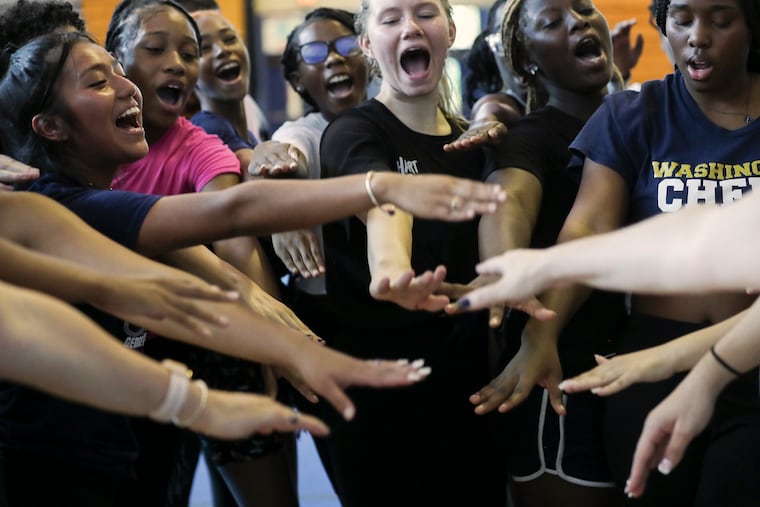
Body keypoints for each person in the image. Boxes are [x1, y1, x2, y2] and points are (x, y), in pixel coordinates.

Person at [0, 30, 505, 505]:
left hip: (122, 450)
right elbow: (230, 213)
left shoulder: (86, 203)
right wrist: (379, 187)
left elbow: (165, 295)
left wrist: (284, 346)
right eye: (98, 80)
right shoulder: (63, 205)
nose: (127, 86)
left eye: (116, 71)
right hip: (53, 469)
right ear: (49, 126)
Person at [455, 0, 760, 504]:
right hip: (649, 356)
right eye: (682, 20)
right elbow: (589, 227)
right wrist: (540, 333)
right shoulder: (634, 112)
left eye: (721, 20)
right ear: (663, 25)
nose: (698, 37)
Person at [317, 0, 514, 504]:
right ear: (367, 44)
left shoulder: (474, 144)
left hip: (469, 391)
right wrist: (392, 272)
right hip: (381, 397)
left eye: (424, 13)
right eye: (390, 19)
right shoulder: (355, 131)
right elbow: (384, 203)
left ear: (449, 30)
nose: (410, 27)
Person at [464, 1, 626, 505]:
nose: (577, 20)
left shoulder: (637, 120)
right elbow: (506, 199)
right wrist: (505, 269)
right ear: (527, 59)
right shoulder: (526, 139)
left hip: (630, 369)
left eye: (582, 8)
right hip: (557, 380)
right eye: (552, 21)